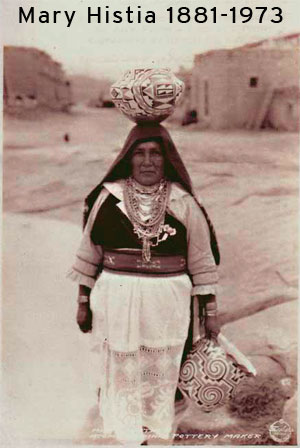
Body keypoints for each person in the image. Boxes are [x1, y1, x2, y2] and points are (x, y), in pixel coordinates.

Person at [67, 123, 220, 445]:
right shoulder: (108, 198)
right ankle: (129, 436)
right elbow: (88, 254)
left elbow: (202, 259)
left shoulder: (183, 202)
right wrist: (82, 302)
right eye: (139, 153)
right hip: (116, 299)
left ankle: (156, 434)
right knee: (121, 369)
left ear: (167, 160)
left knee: (161, 372)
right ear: (127, 158)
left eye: (155, 153)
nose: (147, 161)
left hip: (167, 305)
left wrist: (211, 311)